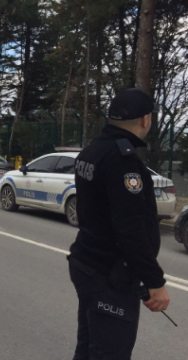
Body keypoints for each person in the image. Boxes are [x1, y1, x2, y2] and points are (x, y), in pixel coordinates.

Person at [68, 88, 170, 360]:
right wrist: (154, 281)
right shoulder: (124, 163)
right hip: (109, 275)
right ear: (145, 120)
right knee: (109, 353)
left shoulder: (91, 152)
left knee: (90, 347)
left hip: (88, 264)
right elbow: (130, 228)